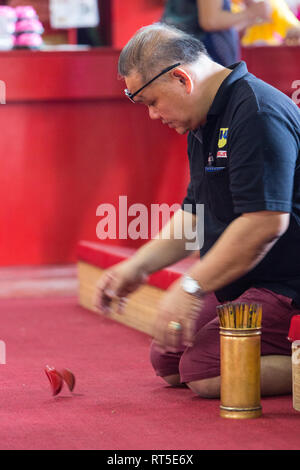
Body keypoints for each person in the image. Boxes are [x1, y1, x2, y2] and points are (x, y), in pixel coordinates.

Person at [94, 23, 300, 398]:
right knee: (169, 359)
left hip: (288, 285)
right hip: (250, 281)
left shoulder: (255, 112)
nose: (154, 116)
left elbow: (265, 223)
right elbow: (194, 215)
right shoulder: (202, 123)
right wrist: (137, 266)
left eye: (153, 102)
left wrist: (191, 285)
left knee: (206, 372)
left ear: (180, 78)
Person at [160, 0, 271, 66]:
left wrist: (249, 18)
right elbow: (210, 21)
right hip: (200, 55)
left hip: (181, 48)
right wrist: (252, 12)